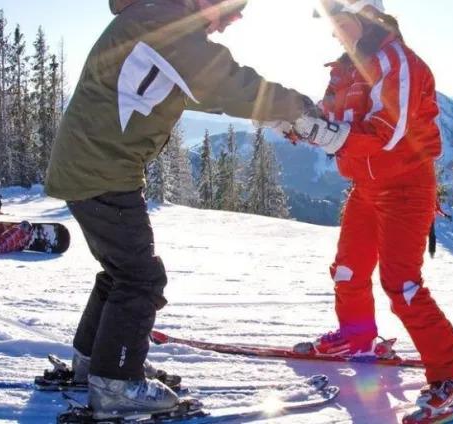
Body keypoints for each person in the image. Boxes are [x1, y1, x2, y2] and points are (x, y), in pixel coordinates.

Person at [44, 0, 315, 419]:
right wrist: (297, 108)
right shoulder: (168, 24)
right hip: (102, 169)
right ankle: (115, 383)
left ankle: (94, 362)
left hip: (92, 164)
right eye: (233, 5)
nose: (235, 17)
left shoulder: (156, 17)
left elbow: (200, 89)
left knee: (122, 270)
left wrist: (276, 118)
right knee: (139, 277)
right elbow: (227, 83)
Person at [268, 0, 453, 419]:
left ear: (365, 16)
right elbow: (331, 119)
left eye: (340, 22)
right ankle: (357, 337)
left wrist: (324, 134)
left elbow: (387, 132)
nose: (334, 32)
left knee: (402, 284)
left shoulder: (397, 62)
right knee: (348, 269)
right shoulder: (345, 68)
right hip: (367, 184)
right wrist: (297, 124)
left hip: (405, 185)